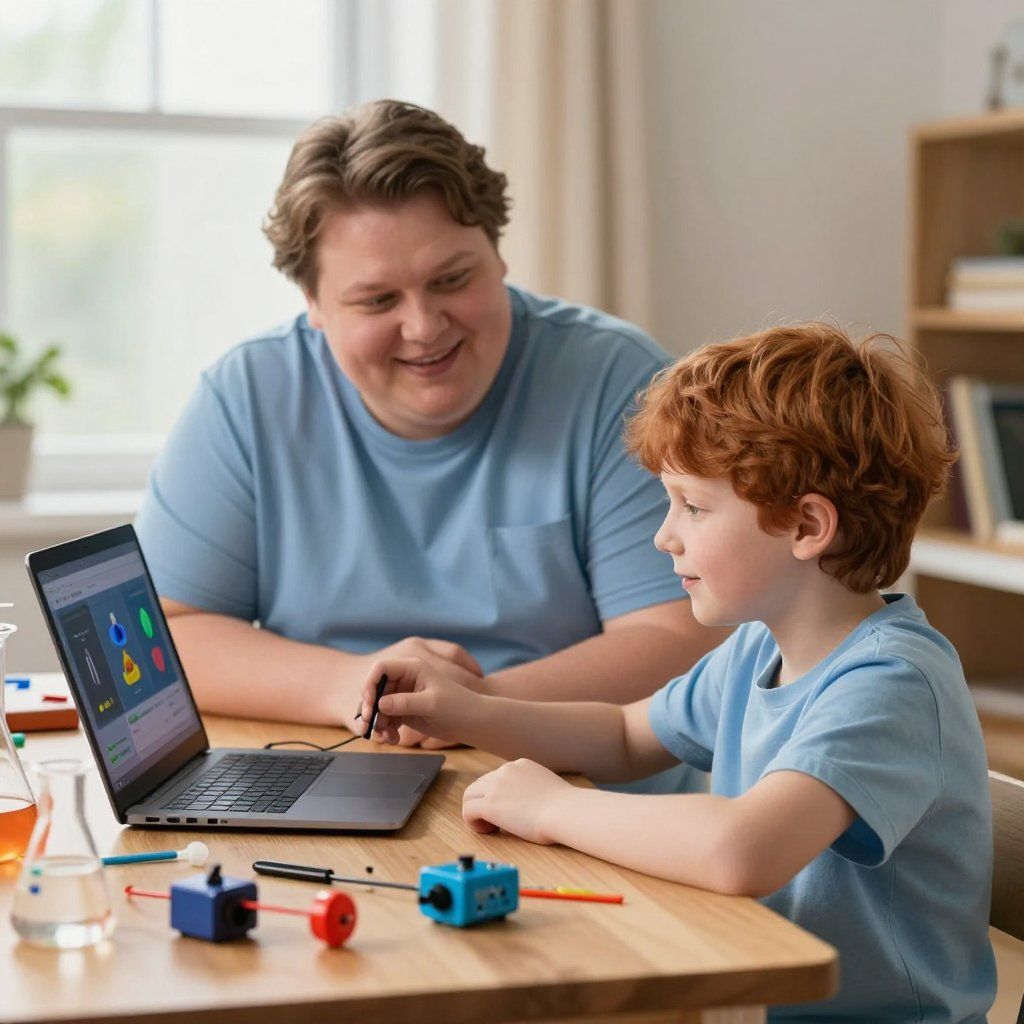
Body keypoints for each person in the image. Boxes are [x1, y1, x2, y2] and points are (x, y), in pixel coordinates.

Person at [359, 322, 996, 1021]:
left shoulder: (892, 684)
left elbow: (742, 848)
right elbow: (627, 736)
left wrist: (553, 808)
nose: (665, 535)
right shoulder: (761, 647)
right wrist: (468, 710)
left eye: (693, 506)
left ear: (808, 527)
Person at [134, 99, 724, 789]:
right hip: (339, 772)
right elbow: (167, 633)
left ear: (498, 255)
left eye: (451, 280)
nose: (423, 326)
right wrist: (355, 686)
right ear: (314, 303)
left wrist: (472, 708)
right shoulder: (247, 394)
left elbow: (679, 638)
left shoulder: (617, 380)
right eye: (378, 301)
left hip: (589, 799)